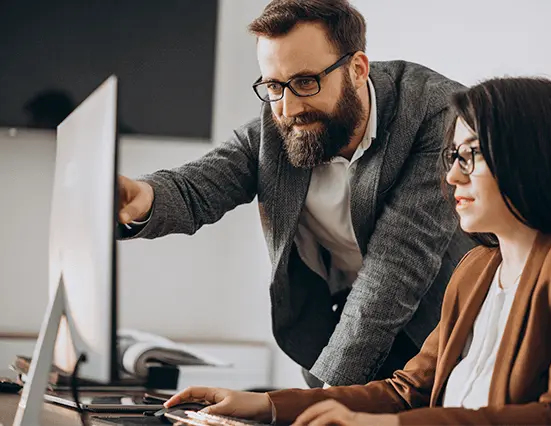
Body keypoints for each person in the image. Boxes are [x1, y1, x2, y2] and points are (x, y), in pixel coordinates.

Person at [162, 77, 551, 425]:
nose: (453, 176)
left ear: (527, 157)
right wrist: (264, 405)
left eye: (470, 155)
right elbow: (407, 390)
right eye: (453, 157)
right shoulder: (477, 270)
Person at [116, 0, 475, 388]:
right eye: (273, 86)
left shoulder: (437, 112)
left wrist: (320, 396)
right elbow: (196, 188)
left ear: (357, 69)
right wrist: (141, 196)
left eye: (306, 82)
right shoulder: (277, 126)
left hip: (440, 332)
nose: (288, 107)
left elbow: (397, 269)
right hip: (341, 324)